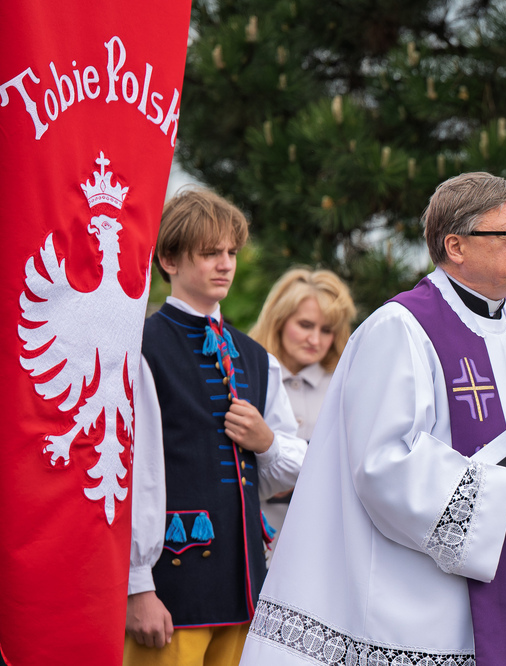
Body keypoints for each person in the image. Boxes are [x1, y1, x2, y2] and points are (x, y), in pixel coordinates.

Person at [238, 171, 506, 666]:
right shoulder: (400, 329)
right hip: (424, 607)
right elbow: (383, 464)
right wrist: (503, 493)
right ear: (456, 245)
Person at [125, 188, 307, 666]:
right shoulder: (141, 347)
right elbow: (129, 475)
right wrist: (137, 587)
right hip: (171, 590)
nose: (225, 264)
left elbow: (291, 471)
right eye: (209, 253)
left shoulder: (256, 358)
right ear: (169, 258)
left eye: (230, 252)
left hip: (245, 586)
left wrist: (266, 445)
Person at [249, 267, 356, 553]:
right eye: (306, 325)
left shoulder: (348, 385)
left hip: (325, 545)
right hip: (258, 541)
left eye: (326, 330)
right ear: (279, 320)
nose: (315, 340)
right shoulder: (247, 377)